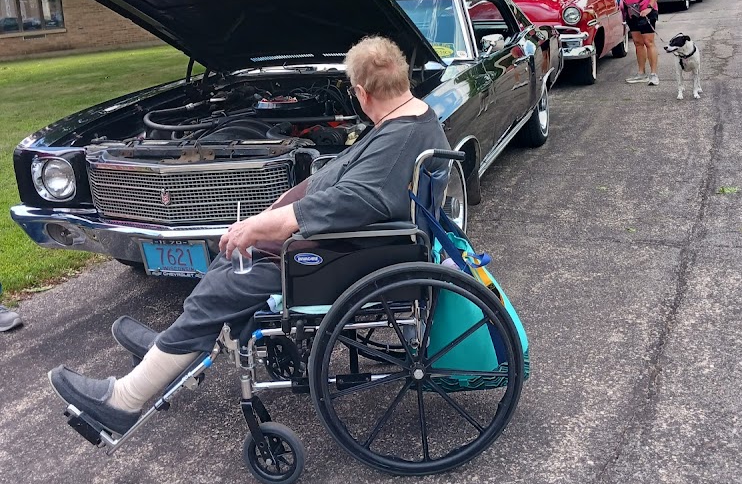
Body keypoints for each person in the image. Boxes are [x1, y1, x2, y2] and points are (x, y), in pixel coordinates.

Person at [48, 36, 450, 436]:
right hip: (347, 246)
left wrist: (263, 224)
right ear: (402, 77)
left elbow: (351, 200)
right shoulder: (413, 119)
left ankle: (124, 401)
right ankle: (178, 346)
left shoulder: (398, 141)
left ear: (360, 93)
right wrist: (266, 218)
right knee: (227, 264)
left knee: (225, 284)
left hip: (336, 255)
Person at [620, 0, 661, 86]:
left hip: (645, 11)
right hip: (632, 12)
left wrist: (649, 7)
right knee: (638, 43)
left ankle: (654, 74)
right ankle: (641, 73)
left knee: (648, 42)